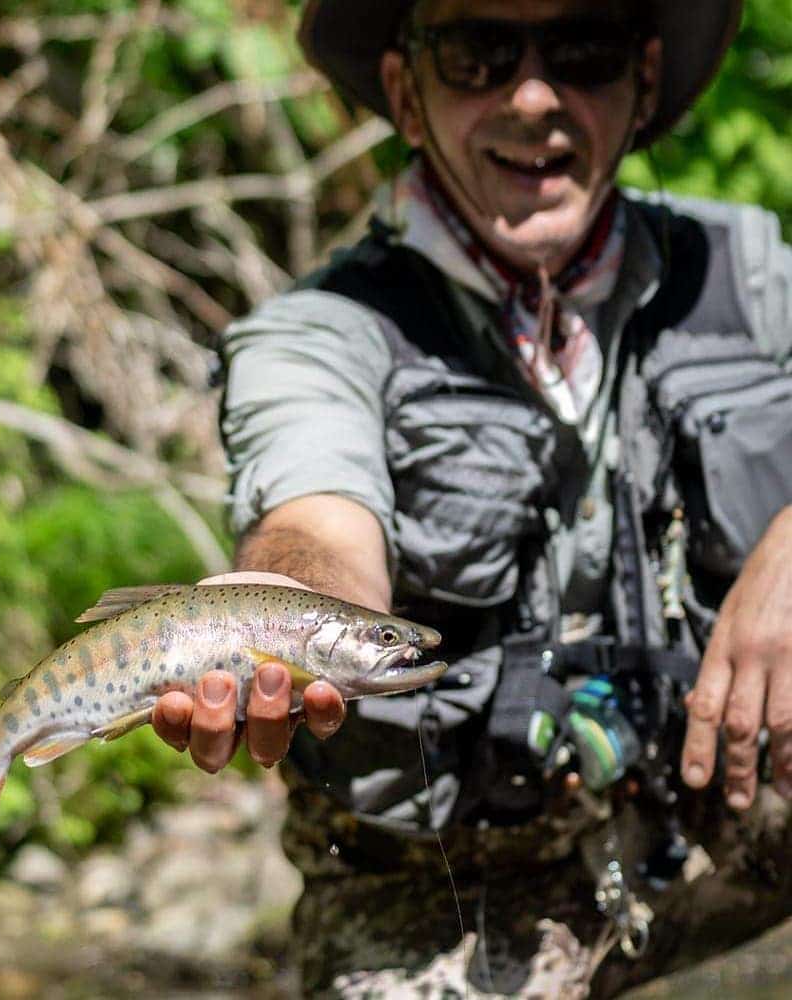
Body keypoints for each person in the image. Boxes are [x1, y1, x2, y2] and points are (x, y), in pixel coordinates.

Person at [153, 0, 792, 996]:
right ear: (407, 93)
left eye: (583, 49)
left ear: (644, 80)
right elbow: (315, 524)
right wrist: (279, 601)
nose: (533, 96)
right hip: (439, 893)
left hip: (708, 819)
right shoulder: (319, 336)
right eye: (477, 54)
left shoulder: (747, 275)